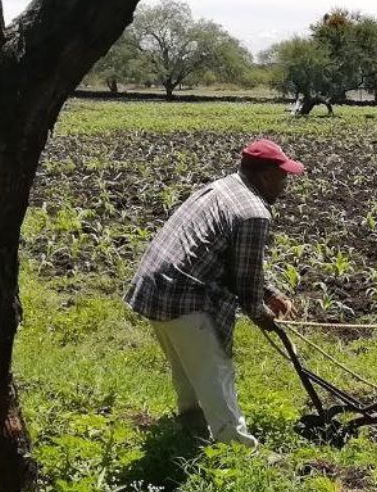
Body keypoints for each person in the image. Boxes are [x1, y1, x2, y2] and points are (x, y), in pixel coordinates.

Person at [124, 139, 304, 445]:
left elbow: (237, 260)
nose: (286, 182)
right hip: (184, 294)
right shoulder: (253, 212)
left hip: (155, 286)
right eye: (282, 175)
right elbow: (246, 282)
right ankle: (237, 449)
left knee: (189, 370)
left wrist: (270, 292)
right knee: (215, 373)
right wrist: (263, 315)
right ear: (264, 176)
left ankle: (191, 433)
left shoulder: (225, 187)